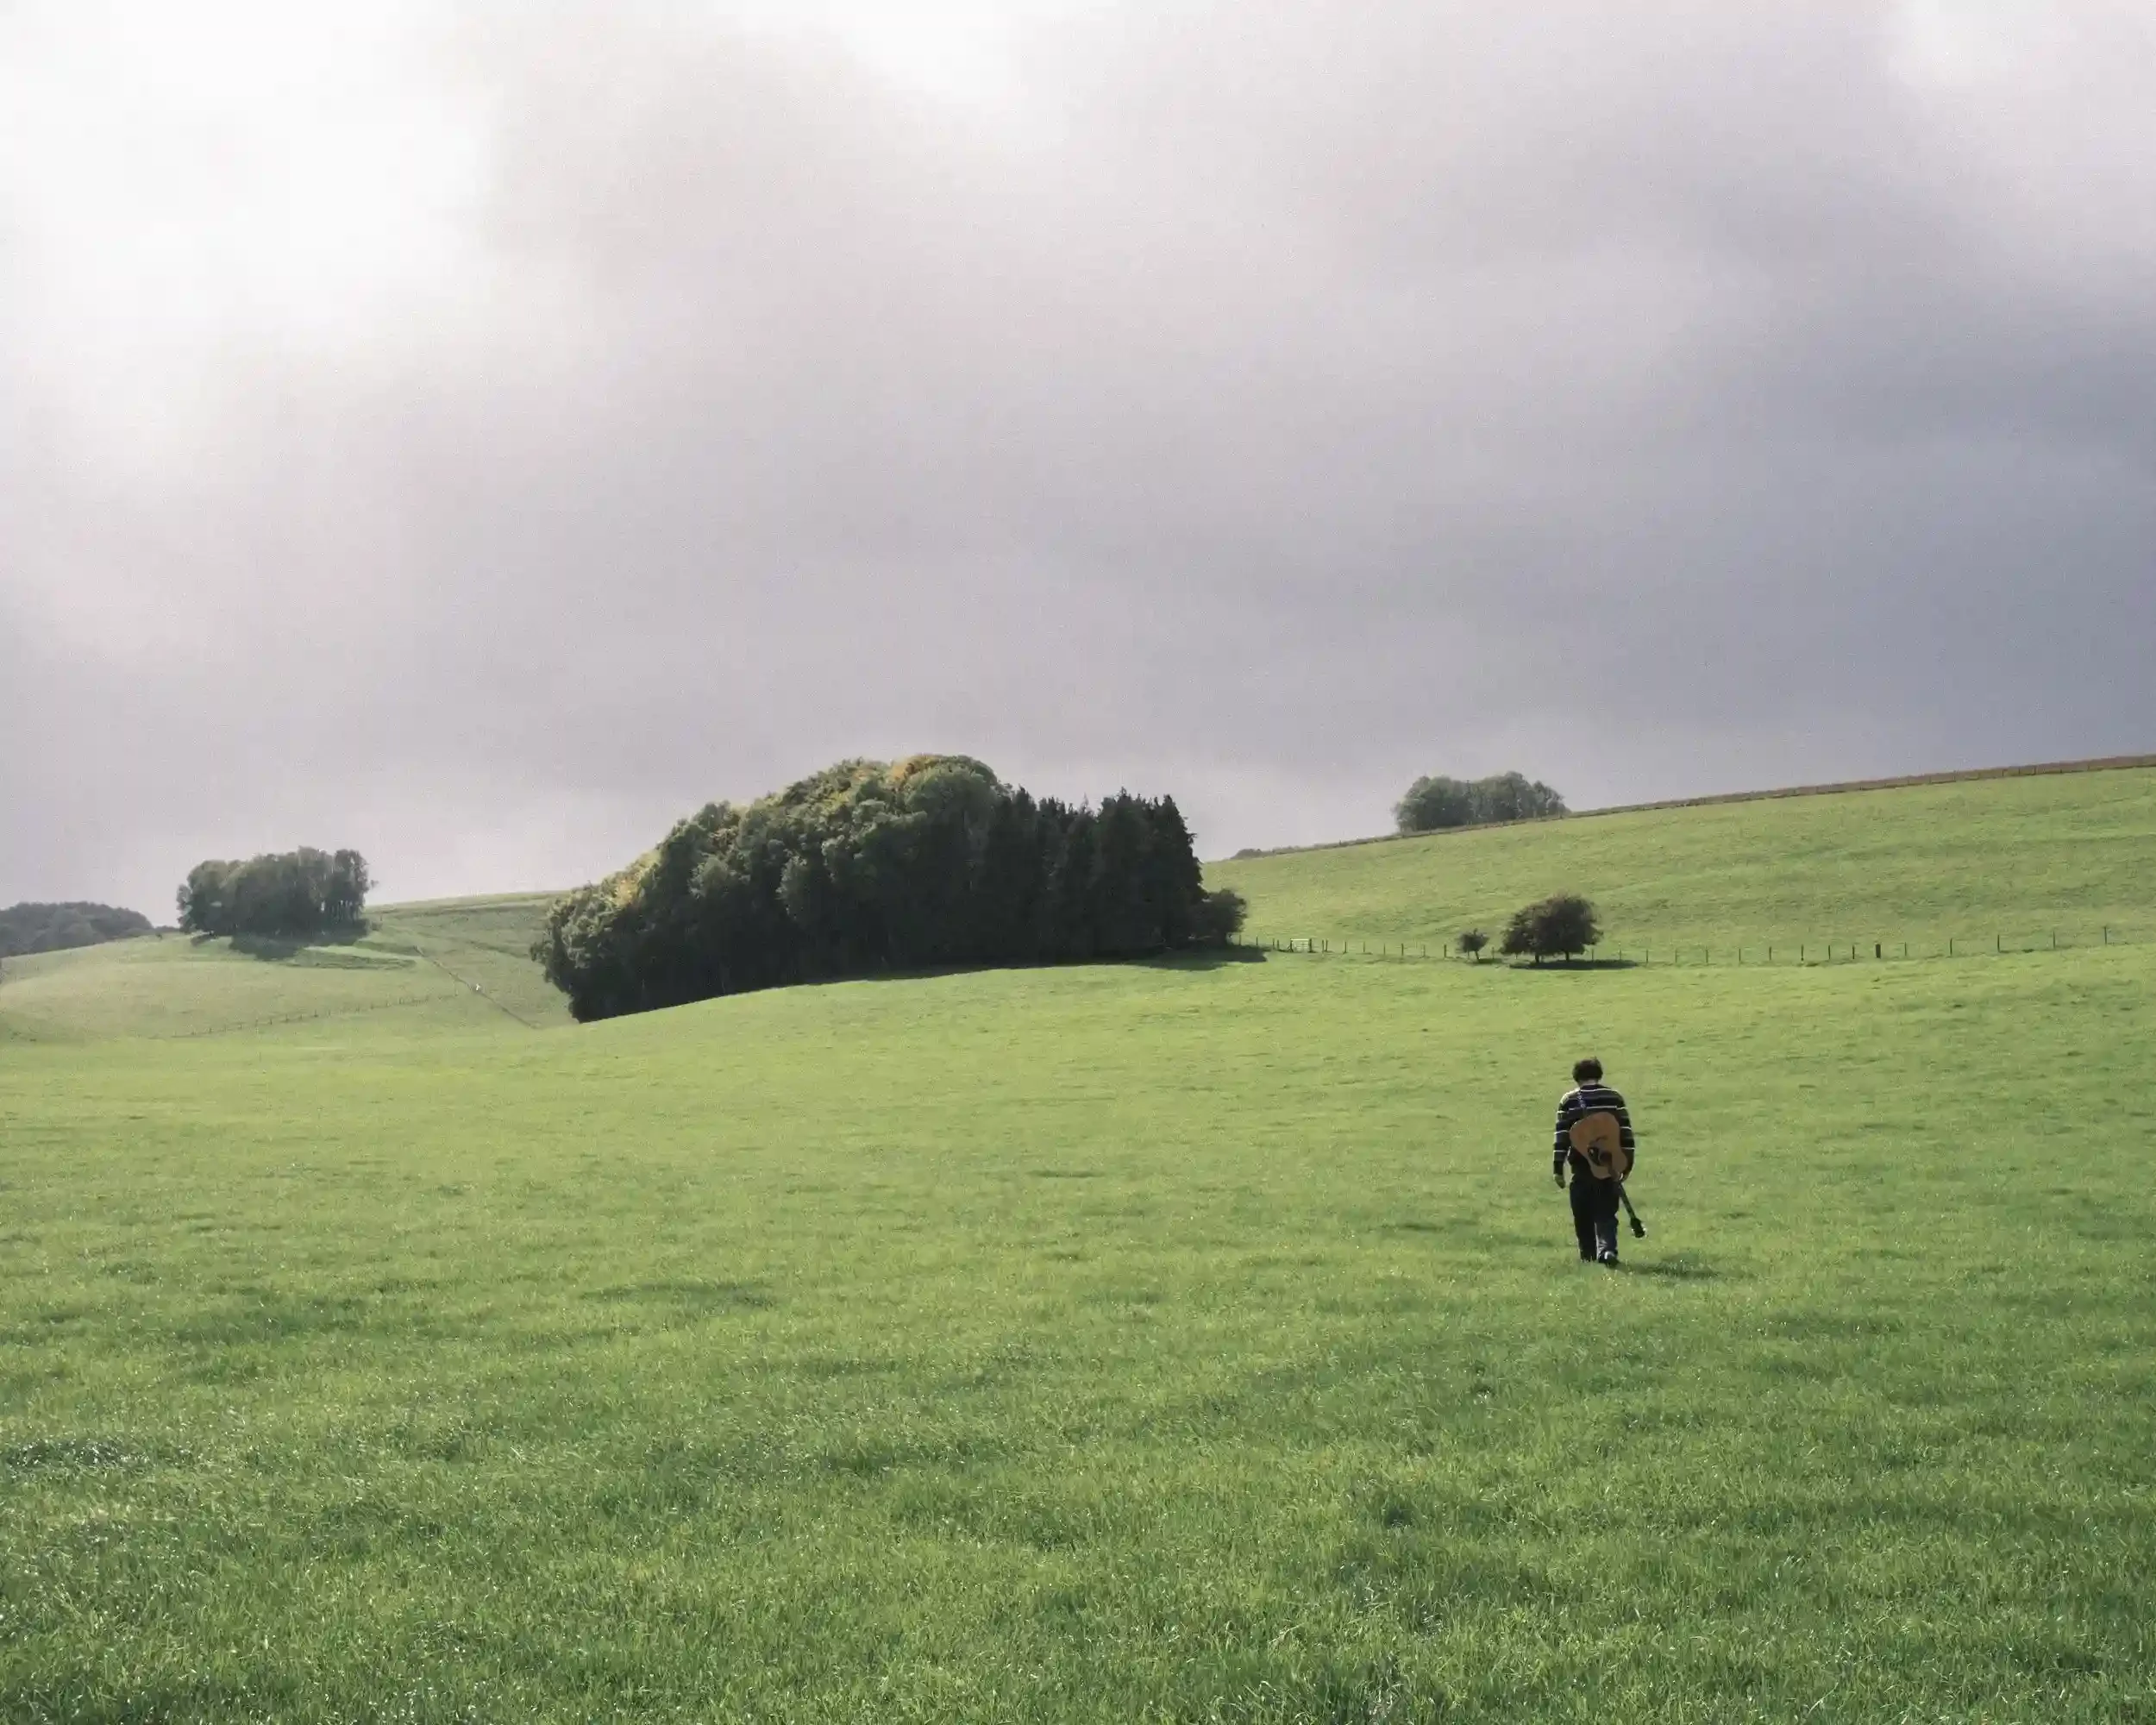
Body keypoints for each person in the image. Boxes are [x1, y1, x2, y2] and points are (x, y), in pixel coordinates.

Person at [1552, 1056, 1635, 1265]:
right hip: (1609, 1165)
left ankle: (1588, 1256)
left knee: (1583, 1213)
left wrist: (1557, 1168)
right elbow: (1626, 1133)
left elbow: (1562, 1136)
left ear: (1576, 1077)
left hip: (1581, 1165)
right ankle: (1607, 1251)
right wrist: (1627, 1163)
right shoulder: (1614, 1098)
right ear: (1599, 1075)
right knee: (1607, 1211)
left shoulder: (1568, 1100)